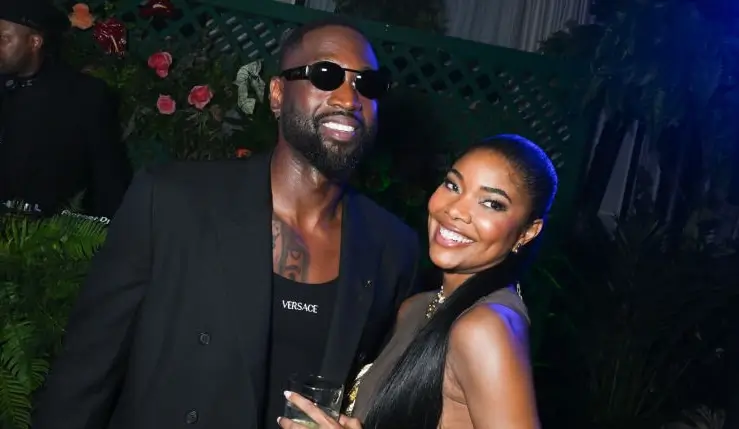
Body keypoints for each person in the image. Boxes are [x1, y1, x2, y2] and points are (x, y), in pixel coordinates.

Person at [32, 17, 419, 429]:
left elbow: (384, 396)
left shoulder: (393, 248)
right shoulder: (173, 202)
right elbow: (85, 375)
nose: (349, 98)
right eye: (326, 75)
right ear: (276, 93)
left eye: (368, 85)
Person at [278, 134, 558, 429]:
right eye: (453, 185)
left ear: (528, 232)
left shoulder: (485, 328)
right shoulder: (416, 308)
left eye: (491, 203)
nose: (456, 210)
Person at [0, 0, 132, 217]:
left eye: (3, 38)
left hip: (51, 237)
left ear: (34, 42)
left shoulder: (84, 95)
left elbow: (109, 177)